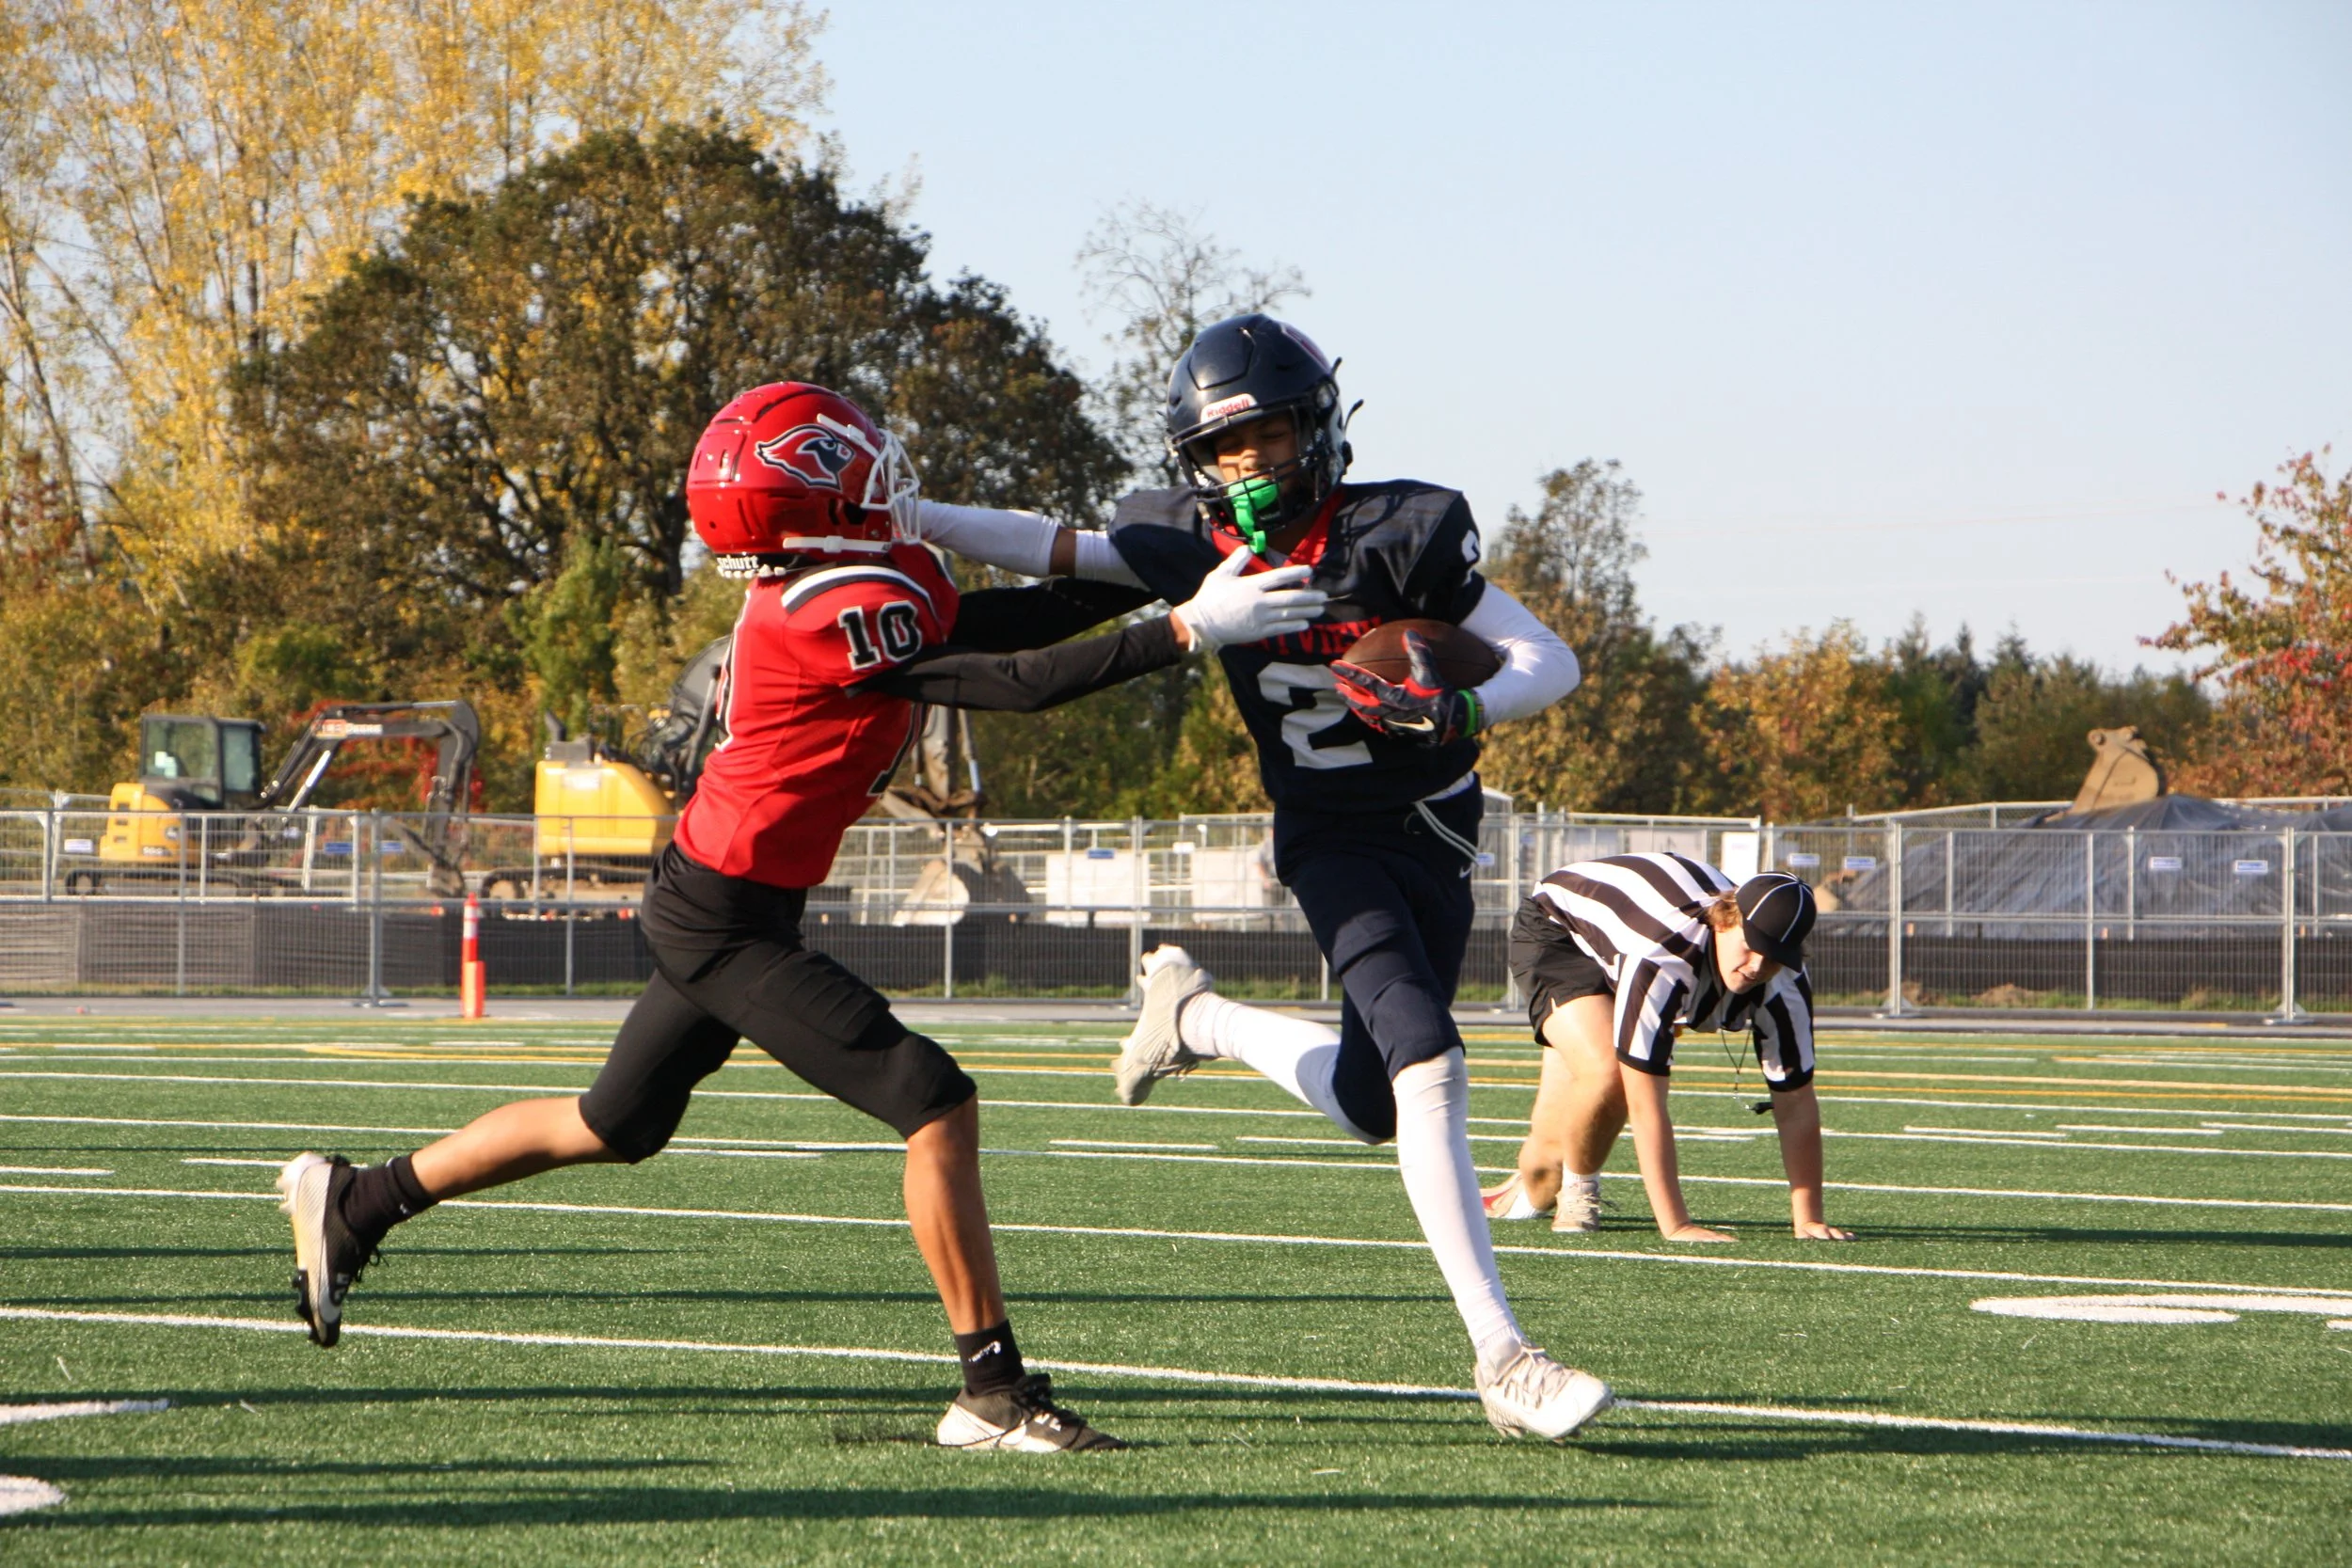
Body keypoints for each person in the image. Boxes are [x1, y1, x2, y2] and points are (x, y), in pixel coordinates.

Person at [277, 381, 1327, 1453]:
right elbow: (1009, 680)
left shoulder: (849, 580)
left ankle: (359, 1200)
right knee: (933, 1097)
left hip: (727, 896)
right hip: (723, 917)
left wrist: (1162, 579)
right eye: (854, 466)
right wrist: (1186, 630)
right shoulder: (815, 609)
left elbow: (1001, 624)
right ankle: (992, 1392)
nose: (880, 476)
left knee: (613, 1123)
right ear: (812, 500)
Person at [911, 315, 1610, 1441]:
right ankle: (1503, 1354)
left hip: (1435, 829)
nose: (1246, 469)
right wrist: (916, 519)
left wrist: (1467, 703)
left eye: (1267, 438)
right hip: (1331, 839)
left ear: (1317, 429)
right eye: (1224, 450)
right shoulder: (1196, 542)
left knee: (1376, 1101)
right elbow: (1053, 546)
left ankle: (1199, 1017)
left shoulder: (1400, 528)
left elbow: (1548, 657)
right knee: (1427, 1051)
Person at [1481, 853, 1854, 1245]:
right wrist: (1676, 1225)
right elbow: (1645, 1104)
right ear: (1725, 920)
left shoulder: (1785, 981)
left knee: (1545, 1167)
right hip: (1563, 929)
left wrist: (1809, 1218)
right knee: (1610, 1072)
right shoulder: (1663, 956)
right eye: (1751, 945)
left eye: (1775, 955)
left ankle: (1532, 1182)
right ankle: (1579, 1189)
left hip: (1624, 936)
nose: (1758, 965)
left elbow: (1795, 1102)